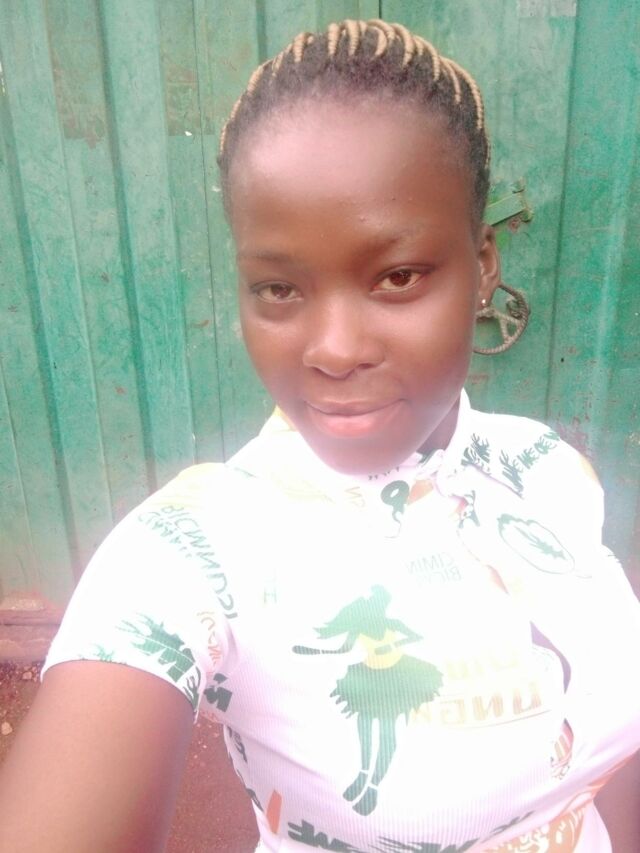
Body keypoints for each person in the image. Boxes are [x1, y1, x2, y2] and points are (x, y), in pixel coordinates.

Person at [0, 18, 639, 853]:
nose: (334, 350)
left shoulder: (549, 470)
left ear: (483, 264)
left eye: (397, 276)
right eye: (279, 289)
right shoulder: (205, 545)